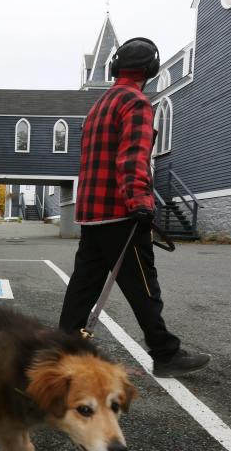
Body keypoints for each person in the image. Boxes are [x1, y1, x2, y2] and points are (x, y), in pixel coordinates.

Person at [58, 37, 210, 378]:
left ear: (114, 68)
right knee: (143, 288)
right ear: (151, 70)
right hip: (121, 214)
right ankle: (165, 353)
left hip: (92, 215)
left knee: (82, 288)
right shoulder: (136, 103)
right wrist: (141, 202)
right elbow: (132, 158)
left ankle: (61, 355)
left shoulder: (99, 106)